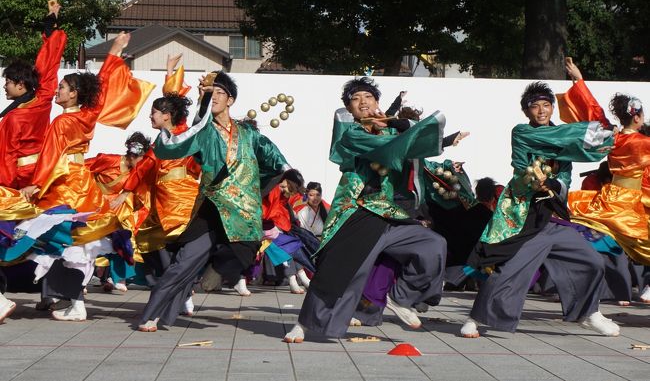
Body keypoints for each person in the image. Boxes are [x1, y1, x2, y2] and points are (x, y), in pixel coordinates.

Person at [284, 77, 448, 343]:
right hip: (357, 211)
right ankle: (304, 324)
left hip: (389, 214)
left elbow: (421, 142)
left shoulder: (392, 131)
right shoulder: (352, 135)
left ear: (377, 103)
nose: (363, 102)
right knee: (341, 271)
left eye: (368, 97)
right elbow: (390, 150)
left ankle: (400, 297)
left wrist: (398, 124)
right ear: (350, 109)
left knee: (433, 245)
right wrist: (399, 128)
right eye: (356, 99)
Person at [461, 81, 619, 338]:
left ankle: (590, 313)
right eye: (535, 106)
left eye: (547, 105)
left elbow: (566, 176)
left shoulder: (565, 138)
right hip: (527, 216)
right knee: (508, 270)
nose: (542, 111)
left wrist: (555, 183)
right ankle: (476, 318)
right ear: (526, 111)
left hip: (554, 216)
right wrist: (584, 135)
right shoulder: (523, 132)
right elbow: (524, 168)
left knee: (591, 261)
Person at [137, 70, 289, 332]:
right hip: (212, 208)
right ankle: (153, 315)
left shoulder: (249, 134)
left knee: (245, 250)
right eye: (210, 93)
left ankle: (215, 269)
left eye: (220, 92)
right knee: (182, 264)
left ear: (230, 99)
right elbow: (173, 146)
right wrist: (168, 127)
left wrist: (256, 187)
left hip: (241, 211)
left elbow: (276, 161)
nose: (215, 97)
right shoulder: (204, 131)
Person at [19, 32, 155, 321]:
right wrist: (115, 51)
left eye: (63, 87)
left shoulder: (62, 121)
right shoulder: (87, 115)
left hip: (64, 183)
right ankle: (65, 299)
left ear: (74, 94)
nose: (57, 91)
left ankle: (68, 300)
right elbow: (103, 86)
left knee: (49, 238)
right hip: (83, 184)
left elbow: (50, 157)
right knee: (74, 243)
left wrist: (35, 183)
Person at [111, 55, 200, 300]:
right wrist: (169, 70)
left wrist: (128, 191)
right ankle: (174, 288)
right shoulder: (160, 141)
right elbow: (144, 168)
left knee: (179, 242)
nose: (150, 117)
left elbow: (176, 102)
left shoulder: (182, 132)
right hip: (162, 198)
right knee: (149, 237)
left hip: (181, 196)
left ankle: (183, 288)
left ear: (167, 116)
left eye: (154, 113)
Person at [560, 60, 650, 303]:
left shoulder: (613, 137)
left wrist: (578, 80)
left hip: (610, 197)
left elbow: (593, 112)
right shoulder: (645, 144)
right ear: (638, 117)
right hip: (632, 203)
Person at [0, 0, 67, 323]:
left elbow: (6, 157)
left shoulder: (13, 119)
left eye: (8, 82)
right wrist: (51, 25)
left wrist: (11, 185)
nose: (4, 85)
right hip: (39, 176)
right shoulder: (40, 102)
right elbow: (49, 66)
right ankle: (48, 292)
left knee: (13, 235)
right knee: (39, 234)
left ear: (21, 85)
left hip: (16, 181)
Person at [87, 131, 151, 293]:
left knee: (125, 236)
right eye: (139, 159)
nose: (141, 163)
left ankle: (118, 277)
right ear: (131, 155)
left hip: (120, 210)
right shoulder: (108, 160)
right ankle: (82, 281)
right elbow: (83, 169)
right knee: (90, 242)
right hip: (98, 205)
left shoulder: (137, 173)